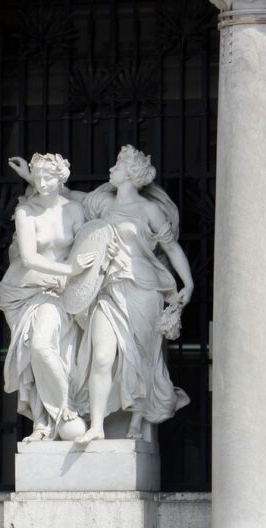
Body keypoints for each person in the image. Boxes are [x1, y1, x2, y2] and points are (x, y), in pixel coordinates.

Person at [75, 145, 194, 444]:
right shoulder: (104, 205)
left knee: (139, 357)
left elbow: (171, 248)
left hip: (143, 288)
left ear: (130, 172)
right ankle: (97, 425)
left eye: (117, 164)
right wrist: (35, 182)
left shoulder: (149, 209)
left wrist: (188, 283)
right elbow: (70, 197)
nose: (112, 169)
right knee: (102, 356)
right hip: (108, 287)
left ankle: (137, 420)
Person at [0, 153, 87, 440]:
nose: (42, 183)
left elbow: (94, 239)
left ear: (61, 179)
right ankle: (45, 421)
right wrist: (68, 269)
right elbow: (29, 257)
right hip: (25, 288)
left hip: (60, 292)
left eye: (49, 177)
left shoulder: (75, 210)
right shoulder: (26, 212)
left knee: (44, 347)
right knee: (32, 350)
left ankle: (61, 411)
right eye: (38, 177)